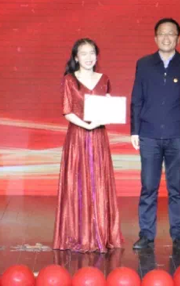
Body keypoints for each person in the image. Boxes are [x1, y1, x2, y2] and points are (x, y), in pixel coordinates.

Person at [130, 18, 180, 252]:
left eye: (171, 33)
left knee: (176, 188)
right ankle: (146, 235)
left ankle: (179, 236)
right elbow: (137, 99)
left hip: (178, 134)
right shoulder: (144, 64)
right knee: (148, 187)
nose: (166, 38)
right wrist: (135, 130)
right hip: (149, 134)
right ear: (155, 37)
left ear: (178, 38)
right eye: (162, 33)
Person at [53, 38, 124, 252]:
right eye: (83, 53)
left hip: (99, 137)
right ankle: (78, 234)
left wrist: (103, 119)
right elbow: (67, 111)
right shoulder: (69, 80)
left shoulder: (104, 79)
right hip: (78, 136)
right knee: (78, 183)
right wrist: (87, 125)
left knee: (98, 182)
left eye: (92, 52)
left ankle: (100, 233)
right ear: (76, 57)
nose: (88, 57)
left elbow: (108, 107)